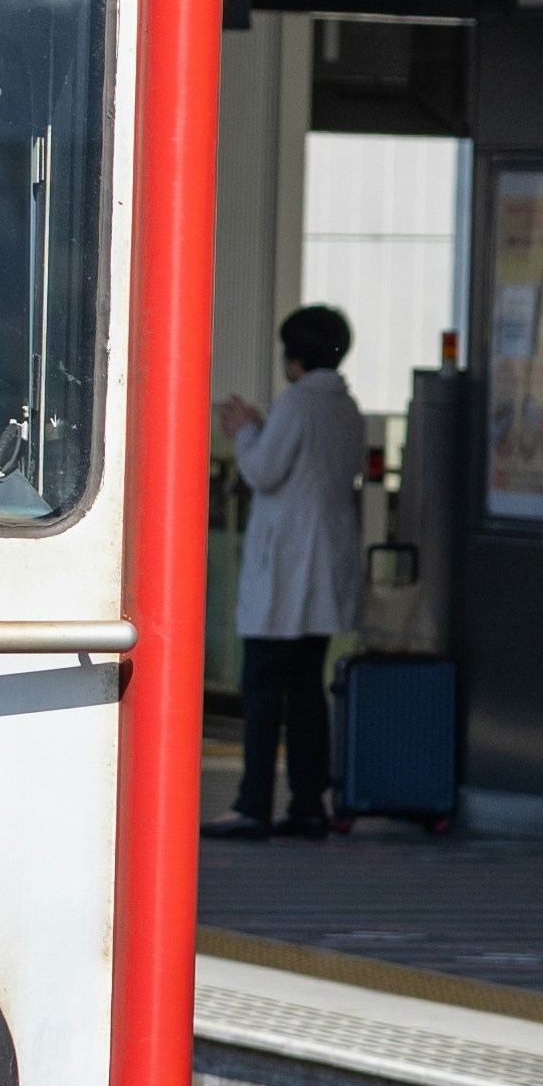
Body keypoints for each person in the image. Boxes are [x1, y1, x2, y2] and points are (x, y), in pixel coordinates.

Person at [217, 305, 376, 841]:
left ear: (295, 354)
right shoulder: (346, 407)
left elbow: (265, 471)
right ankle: (309, 802)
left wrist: (244, 432)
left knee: (263, 688)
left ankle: (253, 805)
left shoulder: (297, 402)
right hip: (327, 566)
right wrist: (265, 427)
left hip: (286, 570)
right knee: (307, 689)